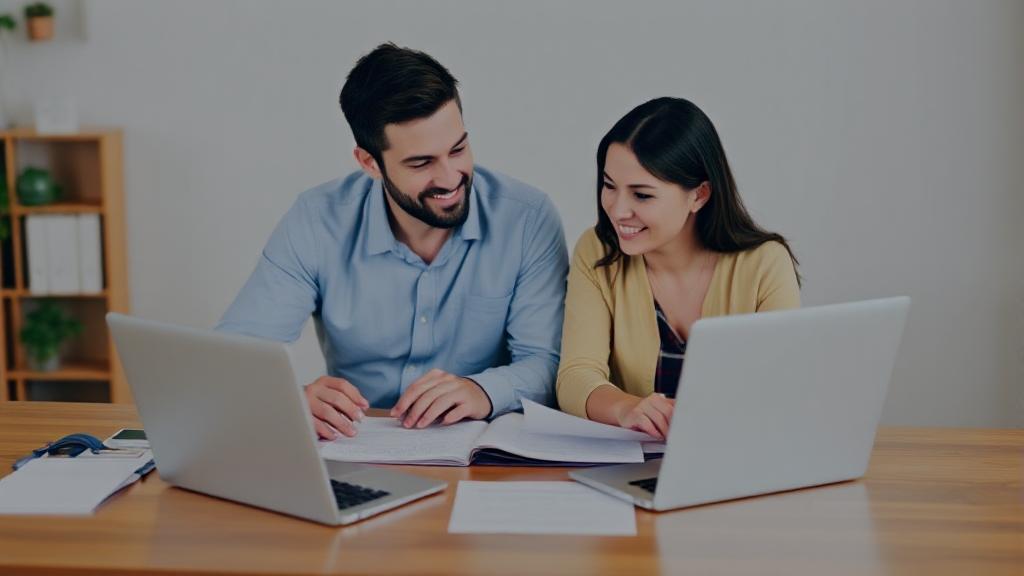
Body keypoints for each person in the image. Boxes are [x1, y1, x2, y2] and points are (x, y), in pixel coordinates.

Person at [218, 43, 568, 440]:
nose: (451, 177)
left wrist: (483, 391)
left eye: (458, 149)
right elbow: (235, 359)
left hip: (481, 453)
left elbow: (548, 362)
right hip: (355, 447)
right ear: (369, 163)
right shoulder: (317, 221)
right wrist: (288, 397)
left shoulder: (526, 218)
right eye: (421, 163)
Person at [556, 97, 800, 440]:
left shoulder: (765, 264)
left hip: (735, 458)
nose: (618, 209)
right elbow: (576, 376)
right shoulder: (598, 252)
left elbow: (781, 389)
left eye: (641, 195)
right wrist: (627, 408)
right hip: (633, 469)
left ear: (699, 195)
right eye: (609, 186)